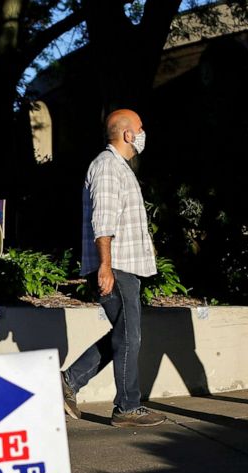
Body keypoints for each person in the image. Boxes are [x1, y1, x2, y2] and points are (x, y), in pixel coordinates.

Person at [61, 109, 166, 427]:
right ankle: (127, 407)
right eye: (140, 127)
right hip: (115, 266)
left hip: (122, 265)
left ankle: (67, 382)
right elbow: (102, 221)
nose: (144, 132)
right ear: (128, 134)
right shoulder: (107, 167)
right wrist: (105, 266)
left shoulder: (119, 167)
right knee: (129, 335)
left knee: (124, 334)